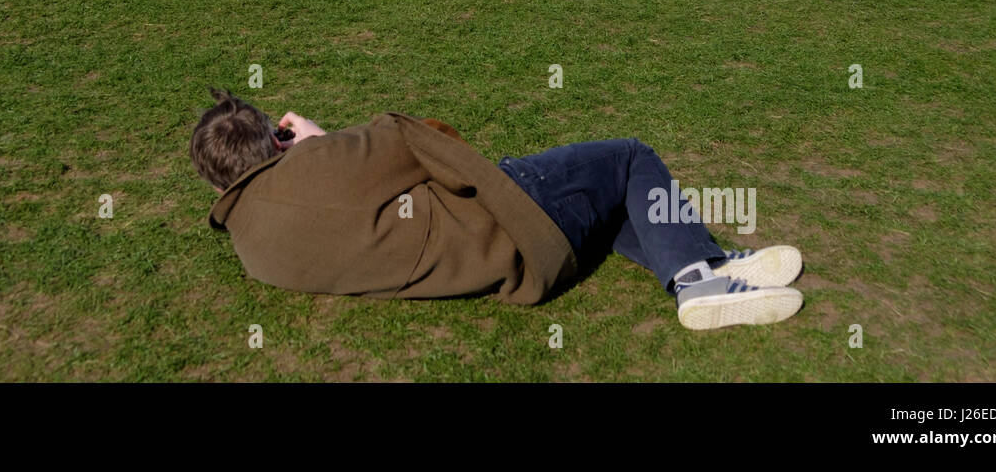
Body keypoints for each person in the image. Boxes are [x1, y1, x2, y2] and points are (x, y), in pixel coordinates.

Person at [191, 90, 805, 330]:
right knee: (628, 159)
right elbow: (418, 136)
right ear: (276, 141)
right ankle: (697, 281)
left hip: (494, 259)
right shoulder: (316, 165)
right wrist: (321, 141)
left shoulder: (251, 246)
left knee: (612, 200)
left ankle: (705, 261)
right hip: (513, 222)